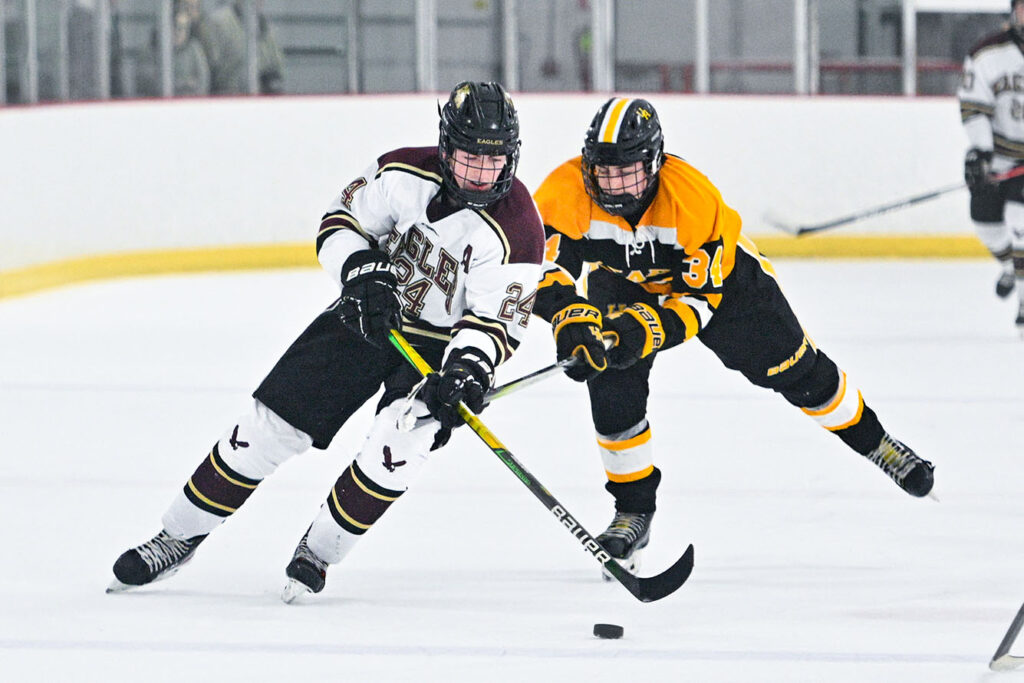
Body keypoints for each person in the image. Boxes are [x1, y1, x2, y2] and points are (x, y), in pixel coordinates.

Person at [108, 81, 544, 602]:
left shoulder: (518, 230)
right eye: (469, 157)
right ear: (446, 147)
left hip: (439, 348)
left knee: (397, 446)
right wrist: (362, 273)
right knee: (264, 429)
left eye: (492, 161)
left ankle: (318, 551)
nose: (479, 173)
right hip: (367, 315)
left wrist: (467, 371)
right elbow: (340, 223)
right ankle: (176, 537)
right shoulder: (401, 171)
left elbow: (496, 319)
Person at [531, 97, 935, 573]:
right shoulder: (564, 190)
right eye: (604, 172)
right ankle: (632, 511)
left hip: (726, 287)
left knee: (798, 372)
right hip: (619, 282)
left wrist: (647, 329)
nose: (614, 185)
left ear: (655, 162)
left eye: (628, 172)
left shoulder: (693, 200)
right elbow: (537, 268)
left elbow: (699, 303)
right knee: (611, 386)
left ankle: (877, 442)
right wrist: (569, 318)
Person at [958, 0, 1024, 334]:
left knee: (1021, 222)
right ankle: (1012, 268)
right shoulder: (988, 54)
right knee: (985, 223)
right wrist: (980, 153)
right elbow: (973, 106)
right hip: (1000, 158)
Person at [202, 0, 284, 95]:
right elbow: (208, 70)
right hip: (226, 100)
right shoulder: (218, 23)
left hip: (260, 102)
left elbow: (277, 68)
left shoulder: (267, 29)